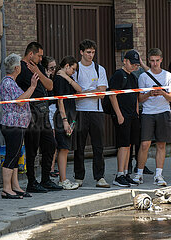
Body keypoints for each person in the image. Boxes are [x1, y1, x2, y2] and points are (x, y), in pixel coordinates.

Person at [16, 42, 62, 193]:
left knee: (51, 144)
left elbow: (50, 86)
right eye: (39, 55)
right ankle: (31, 181)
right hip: (30, 114)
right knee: (32, 148)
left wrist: (38, 71)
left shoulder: (40, 67)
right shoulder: (20, 69)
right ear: (31, 54)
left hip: (43, 112)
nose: (41, 58)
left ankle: (46, 179)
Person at [0, 53, 39, 199]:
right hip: (12, 125)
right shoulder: (8, 83)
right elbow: (20, 101)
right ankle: (6, 188)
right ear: (17, 68)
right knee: (11, 155)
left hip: (18, 124)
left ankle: (15, 186)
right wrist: (32, 87)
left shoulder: (11, 82)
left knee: (16, 156)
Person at [73, 39, 110, 188]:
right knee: (79, 146)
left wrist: (85, 92)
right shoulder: (76, 69)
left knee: (98, 146)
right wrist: (90, 92)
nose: (91, 55)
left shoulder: (100, 69)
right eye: (88, 52)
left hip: (96, 111)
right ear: (81, 52)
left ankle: (100, 177)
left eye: (93, 52)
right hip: (80, 111)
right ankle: (78, 177)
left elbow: (102, 93)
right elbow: (76, 92)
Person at [133, 48, 171, 186]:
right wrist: (149, 94)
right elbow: (140, 98)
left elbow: (170, 97)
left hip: (163, 111)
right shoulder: (143, 77)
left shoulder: (168, 76)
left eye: (157, 61)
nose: (155, 64)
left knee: (161, 144)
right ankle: (139, 174)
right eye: (152, 61)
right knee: (145, 144)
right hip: (148, 113)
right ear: (149, 61)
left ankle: (159, 175)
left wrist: (161, 93)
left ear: (161, 60)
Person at [109, 50, 141, 187]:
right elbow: (112, 95)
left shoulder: (133, 77)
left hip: (132, 115)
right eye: (132, 64)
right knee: (123, 144)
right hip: (122, 115)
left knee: (129, 144)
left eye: (136, 64)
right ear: (125, 61)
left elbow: (136, 97)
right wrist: (119, 114)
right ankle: (119, 174)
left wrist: (136, 112)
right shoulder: (118, 75)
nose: (134, 66)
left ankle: (126, 173)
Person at [53, 56, 82, 190]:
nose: (74, 72)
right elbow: (60, 101)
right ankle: (62, 179)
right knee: (63, 148)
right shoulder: (58, 80)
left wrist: (67, 78)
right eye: (73, 69)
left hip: (70, 116)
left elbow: (79, 89)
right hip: (62, 118)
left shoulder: (67, 79)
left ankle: (63, 178)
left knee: (66, 148)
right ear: (67, 66)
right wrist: (65, 121)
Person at [41, 56, 59, 177]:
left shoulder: (55, 79)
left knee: (55, 141)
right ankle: (49, 168)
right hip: (46, 111)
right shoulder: (43, 80)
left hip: (54, 110)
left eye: (54, 68)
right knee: (50, 140)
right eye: (50, 68)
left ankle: (51, 167)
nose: (53, 71)